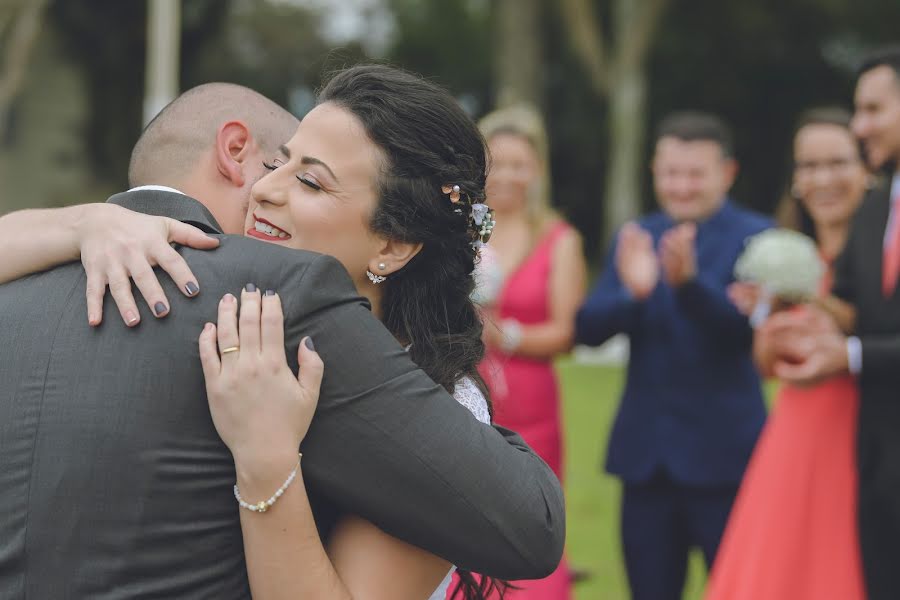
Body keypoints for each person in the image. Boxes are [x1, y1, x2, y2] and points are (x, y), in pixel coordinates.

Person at [0, 69, 565, 599]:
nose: (266, 190)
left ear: (392, 246)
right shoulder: (225, 314)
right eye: (280, 163)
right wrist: (85, 220)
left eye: (312, 183)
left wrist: (266, 459)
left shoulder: (429, 404)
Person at [574, 112, 771, 600]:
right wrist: (634, 295)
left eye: (695, 174)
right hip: (647, 461)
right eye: (671, 173)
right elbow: (587, 329)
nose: (681, 186)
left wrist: (688, 287)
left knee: (741, 589)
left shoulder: (757, 238)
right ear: (654, 172)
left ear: (726, 173)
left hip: (725, 458)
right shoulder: (637, 234)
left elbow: (747, 334)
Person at [705, 107, 868, 600]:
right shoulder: (790, 252)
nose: (822, 180)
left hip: (855, 436)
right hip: (791, 436)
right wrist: (765, 317)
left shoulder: (875, 259)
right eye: (808, 166)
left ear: (867, 169)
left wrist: (809, 300)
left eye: (837, 163)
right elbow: (766, 364)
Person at [762, 46, 900, 599]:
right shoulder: (875, 207)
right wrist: (789, 305)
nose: (859, 126)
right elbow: (846, 305)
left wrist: (851, 356)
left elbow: (858, 340)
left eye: (872, 109)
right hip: (879, 468)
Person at [472, 104, 586, 600]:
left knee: (529, 518)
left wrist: (505, 335)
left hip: (532, 402)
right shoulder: (461, 231)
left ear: (536, 171)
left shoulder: (559, 240)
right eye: (498, 162)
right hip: (465, 388)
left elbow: (567, 332)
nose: (509, 175)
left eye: (520, 164)